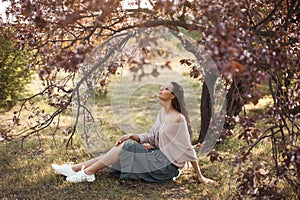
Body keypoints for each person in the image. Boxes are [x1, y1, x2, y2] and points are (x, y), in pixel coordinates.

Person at [51, 82, 216, 184]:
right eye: (162, 86)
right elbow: (152, 136)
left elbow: (188, 149)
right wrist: (133, 136)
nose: (161, 88)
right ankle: (75, 169)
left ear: (172, 96)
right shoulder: (162, 113)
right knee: (125, 144)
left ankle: (87, 173)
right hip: (156, 155)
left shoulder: (178, 119)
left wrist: (200, 177)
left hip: (165, 167)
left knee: (127, 147)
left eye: (166, 88)